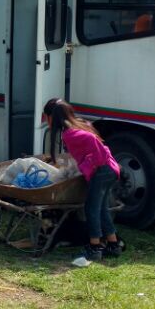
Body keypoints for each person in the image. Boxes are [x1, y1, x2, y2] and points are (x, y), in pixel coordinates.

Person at [42, 98, 123, 267]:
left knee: (91, 208)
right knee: (101, 208)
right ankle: (113, 244)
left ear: (51, 117)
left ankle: (95, 247)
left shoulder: (69, 134)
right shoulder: (80, 125)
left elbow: (95, 147)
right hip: (110, 169)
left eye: (46, 117)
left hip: (102, 171)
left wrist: (88, 167)